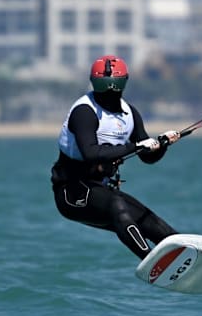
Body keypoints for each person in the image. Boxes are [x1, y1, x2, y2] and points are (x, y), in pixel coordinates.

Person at [50, 55, 181, 260]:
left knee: (152, 223)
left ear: (124, 83)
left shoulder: (129, 114)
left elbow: (147, 157)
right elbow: (91, 154)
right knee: (117, 205)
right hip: (72, 194)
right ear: (94, 83)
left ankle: (190, 259)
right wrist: (135, 146)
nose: (110, 90)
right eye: (104, 85)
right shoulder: (84, 111)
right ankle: (153, 262)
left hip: (101, 191)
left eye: (115, 84)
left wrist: (162, 144)